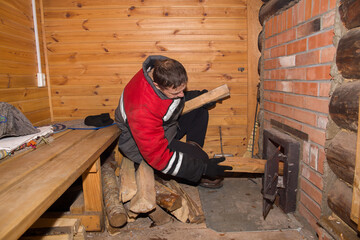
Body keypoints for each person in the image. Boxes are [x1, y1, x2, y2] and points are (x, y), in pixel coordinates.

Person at [114, 55, 232, 188]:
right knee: (202, 163)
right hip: (139, 146)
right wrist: (201, 169)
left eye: (183, 90)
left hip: (164, 128)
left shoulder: (158, 70)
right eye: (176, 93)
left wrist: (200, 97)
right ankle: (166, 170)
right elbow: (158, 157)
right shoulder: (142, 110)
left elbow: (172, 101)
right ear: (157, 85)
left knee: (200, 110)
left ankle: (191, 154)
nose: (181, 95)